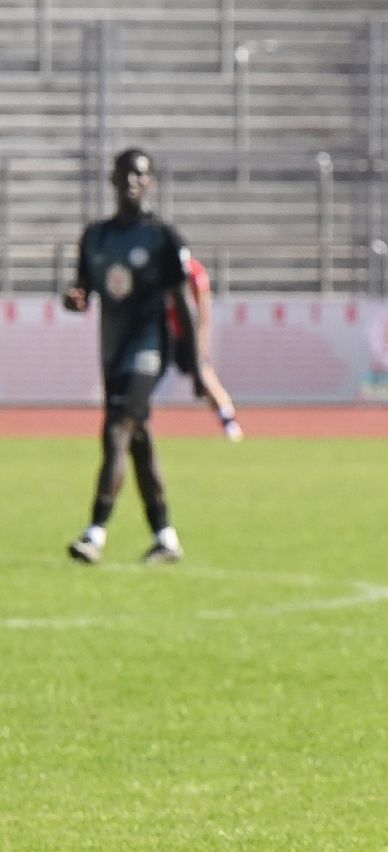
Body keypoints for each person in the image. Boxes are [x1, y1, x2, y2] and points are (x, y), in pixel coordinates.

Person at [64, 148, 201, 565]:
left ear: (151, 182)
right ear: (112, 179)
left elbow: (182, 301)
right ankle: (166, 537)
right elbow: (83, 289)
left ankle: (95, 533)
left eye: (140, 174)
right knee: (139, 440)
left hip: (149, 349)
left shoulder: (163, 237)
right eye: (125, 173)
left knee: (116, 430)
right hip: (112, 350)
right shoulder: (95, 237)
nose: (131, 180)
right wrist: (75, 299)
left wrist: (194, 362)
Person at [168, 255, 244, 441]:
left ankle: (228, 420)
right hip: (165, 334)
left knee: (204, 376)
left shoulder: (194, 272)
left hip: (187, 335)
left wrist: (201, 343)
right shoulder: (162, 268)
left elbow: (203, 312)